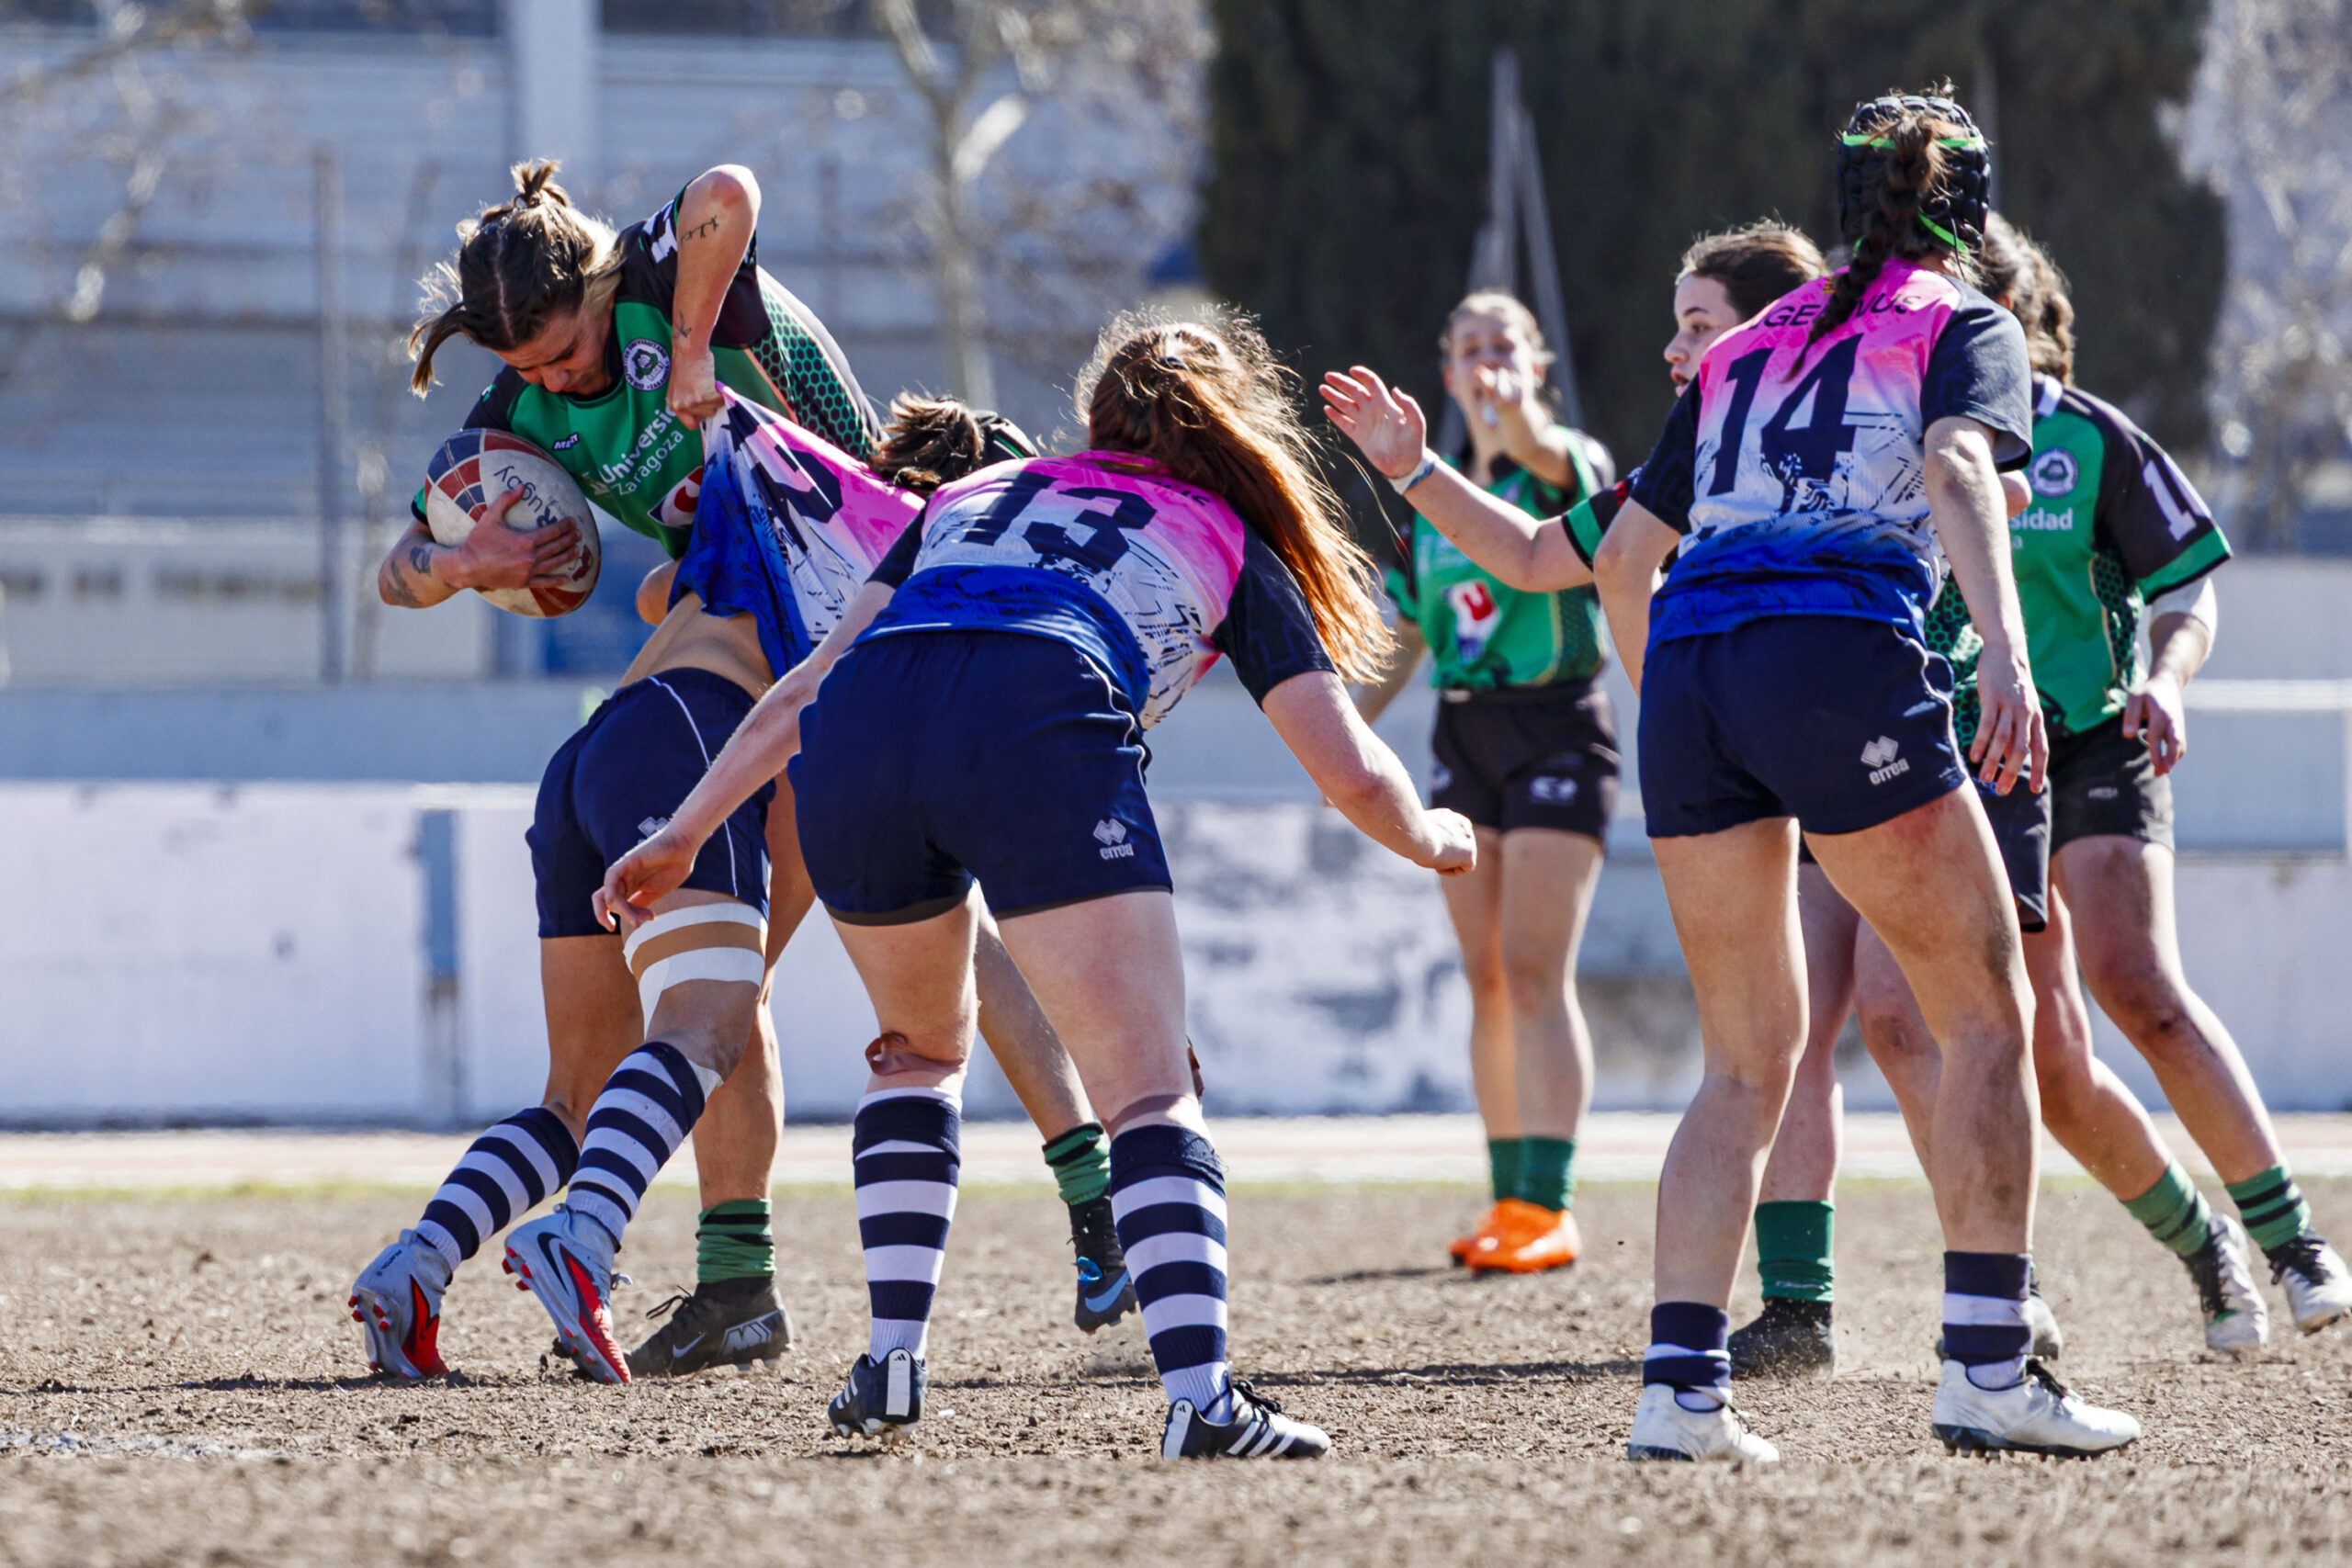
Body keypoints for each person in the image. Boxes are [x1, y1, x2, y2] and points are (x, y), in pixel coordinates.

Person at [1332, 90, 2137, 1461]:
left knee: (1744, 1059)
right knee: (1986, 1016)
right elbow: (1953, 463)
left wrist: (1415, 475)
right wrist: (2003, 652)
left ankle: (1680, 1391)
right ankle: (1990, 1363)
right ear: (1974, 213)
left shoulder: (1749, 344)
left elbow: (1584, 558)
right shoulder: (1965, 323)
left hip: (1697, 670)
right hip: (1837, 645)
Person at [595, 311, 1478, 1460]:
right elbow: (1351, 773)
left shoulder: (978, 494)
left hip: (865, 728)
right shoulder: (1224, 528)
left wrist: (684, 829)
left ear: (1097, 416)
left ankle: (894, 1363)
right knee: (1150, 1095)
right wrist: (1433, 837)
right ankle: (1202, 1399)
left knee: (915, 1052)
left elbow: (814, 678)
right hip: (1035, 711)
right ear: (1230, 429)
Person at [347, 162, 1131, 1387]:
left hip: (776, 621)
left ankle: (694, 1268)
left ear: (605, 283)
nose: (558, 383)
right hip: (730, 674)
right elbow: (418, 567)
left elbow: (730, 189)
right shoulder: (528, 409)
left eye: (568, 352)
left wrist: (699, 347)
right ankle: (717, 1267)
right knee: (754, 994)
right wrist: (465, 565)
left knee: (755, 996)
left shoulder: (668, 279)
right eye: (535, 370)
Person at [1735, 212, 2350, 1374]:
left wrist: (2167, 679)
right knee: (2028, 1051)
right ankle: (2175, 1251)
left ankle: (2294, 1241)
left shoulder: (2088, 440)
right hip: (1955, 752)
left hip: (2092, 737)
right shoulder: (1885, 438)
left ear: (2015, 325)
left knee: (2133, 984)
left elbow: (2187, 590)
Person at [1350, 290, 1616, 1274]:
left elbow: (1552, 461)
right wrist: (1328, 732)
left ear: (1536, 363)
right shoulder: (1427, 500)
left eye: (1505, 345)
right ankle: (1507, 1198)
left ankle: (1549, 1202)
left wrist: (1516, 420)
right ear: (1446, 370)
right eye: (1469, 348)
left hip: (1558, 725)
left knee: (1537, 966)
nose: (1488, 362)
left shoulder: (1568, 462)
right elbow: (1403, 639)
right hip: (1464, 736)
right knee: (1488, 976)